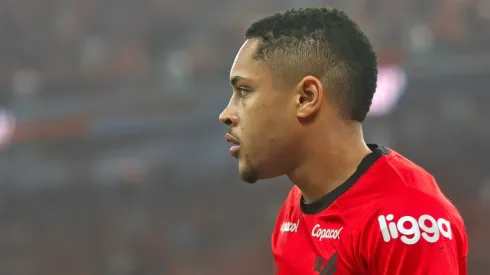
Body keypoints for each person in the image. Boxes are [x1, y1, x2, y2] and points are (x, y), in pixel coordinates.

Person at [218, 6, 468, 275]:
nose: (226, 114)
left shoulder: (408, 221)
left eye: (244, 91)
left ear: (306, 98)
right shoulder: (293, 211)